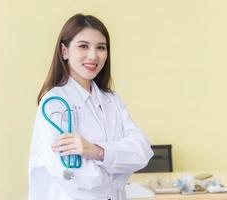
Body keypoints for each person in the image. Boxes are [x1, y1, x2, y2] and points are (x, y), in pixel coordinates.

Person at [28, 14, 154, 200]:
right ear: (64, 51)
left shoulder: (112, 100)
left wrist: (97, 151)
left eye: (101, 48)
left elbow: (142, 151)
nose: (93, 56)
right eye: (83, 46)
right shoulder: (55, 104)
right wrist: (120, 166)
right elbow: (75, 177)